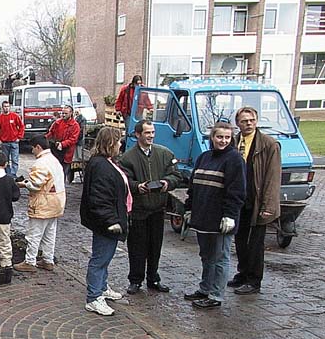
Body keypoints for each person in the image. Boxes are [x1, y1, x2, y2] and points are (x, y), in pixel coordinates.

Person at [183, 122, 246, 309]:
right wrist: (189, 208)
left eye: (227, 137)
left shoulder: (235, 160)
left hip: (221, 220)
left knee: (220, 258)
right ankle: (205, 288)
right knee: (206, 256)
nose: (223, 141)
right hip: (203, 219)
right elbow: (193, 187)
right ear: (212, 137)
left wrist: (230, 216)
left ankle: (216, 295)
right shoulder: (204, 157)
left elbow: (237, 192)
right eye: (220, 137)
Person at [119, 120, 182, 294]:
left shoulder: (164, 153)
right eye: (147, 133)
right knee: (137, 246)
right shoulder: (128, 157)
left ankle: (153, 278)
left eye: (153, 132)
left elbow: (176, 175)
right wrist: (137, 187)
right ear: (138, 135)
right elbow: (124, 181)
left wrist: (167, 183)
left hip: (157, 208)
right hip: (139, 209)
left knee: (155, 246)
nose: (151, 136)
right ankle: (135, 280)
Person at [228, 106, 281, 295]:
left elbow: (273, 177)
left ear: (256, 121)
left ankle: (254, 280)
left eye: (251, 120)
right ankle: (242, 273)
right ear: (238, 123)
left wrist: (268, 205)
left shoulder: (269, 145)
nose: (248, 124)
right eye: (244, 121)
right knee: (240, 239)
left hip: (257, 199)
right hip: (239, 200)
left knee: (256, 243)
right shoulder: (233, 141)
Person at [79, 127, 131, 316]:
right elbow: (99, 197)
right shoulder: (102, 165)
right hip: (106, 222)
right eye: (118, 141)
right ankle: (94, 297)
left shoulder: (105, 162)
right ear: (110, 143)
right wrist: (111, 220)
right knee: (100, 258)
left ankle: (101, 287)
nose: (120, 144)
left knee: (104, 257)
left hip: (108, 219)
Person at [13, 136, 66, 273]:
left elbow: (36, 185)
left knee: (34, 234)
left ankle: (30, 261)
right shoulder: (54, 160)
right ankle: (48, 260)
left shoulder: (40, 163)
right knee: (49, 233)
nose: (32, 151)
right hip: (57, 202)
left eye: (32, 148)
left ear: (38, 147)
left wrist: (23, 184)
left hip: (43, 203)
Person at [45, 105, 81, 183]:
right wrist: (43, 139)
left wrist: (62, 144)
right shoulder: (57, 123)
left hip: (66, 153)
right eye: (62, 113)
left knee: (63, 173)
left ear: (71, 113)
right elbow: (51, 133)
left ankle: (61, 189)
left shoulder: (75, 126)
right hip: (55, 151)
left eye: (65, 113)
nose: (63, 115)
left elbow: (73, 139)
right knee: (53, 172)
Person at [0, 101, 25, 177]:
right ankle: (7, 174)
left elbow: (21, 126)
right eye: (5, 106)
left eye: (7, 106)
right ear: (2, 107)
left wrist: (19, 137)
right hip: (4, 142)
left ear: (9, 107)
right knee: (5, 160)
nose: (6, 108)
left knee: (15, 159)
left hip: (14, 142)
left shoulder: (15, 116)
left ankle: (13, 174)